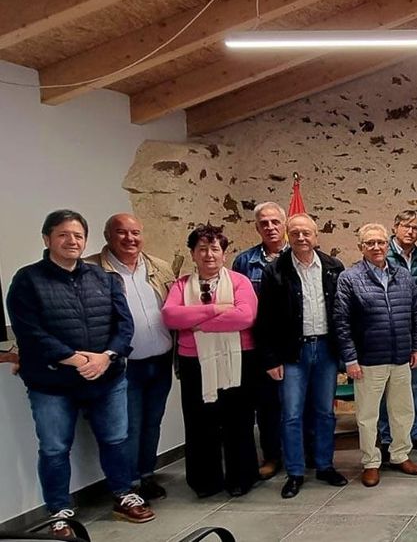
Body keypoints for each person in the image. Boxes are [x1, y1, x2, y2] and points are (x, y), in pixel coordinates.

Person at [7, 210, 155, 534]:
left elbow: (124, 324)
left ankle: (124, 493)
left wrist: (106, 358)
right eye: (63, 235)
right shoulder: (28, 280)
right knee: (55, 447)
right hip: (52, 383)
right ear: (47, 239)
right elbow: (29, 330)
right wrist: (74, 359)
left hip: (107, 378)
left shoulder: (104, 278)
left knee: (116, 439)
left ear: (85, 240)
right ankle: (59, 512)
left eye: (77, 235)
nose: (71, 241)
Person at [162, 224, 261, 498]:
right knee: (199, 423)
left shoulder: (240, 282)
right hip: (194, 363)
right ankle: (205, 482)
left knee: (237, 421)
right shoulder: (182, 285)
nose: (209, 255)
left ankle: (241, 477)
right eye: (202, 249)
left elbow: (244, 317)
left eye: (214, 249)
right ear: (193, 254)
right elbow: (171, 316)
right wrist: (217, 309)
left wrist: (195, 320)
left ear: (224, 254)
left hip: (237, 360)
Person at [255, 214, 348, 498]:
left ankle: (324, 465)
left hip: (325, 349)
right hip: (291, 352)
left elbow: (343, 313)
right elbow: (265, 320)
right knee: (292, 414)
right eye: (295, 233)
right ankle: (295, 472)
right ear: (287, 235)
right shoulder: (276, 270)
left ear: (316, 235)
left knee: (324, 412)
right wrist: (270, 359)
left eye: (306, 233)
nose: (301, 238)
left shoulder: (333, 267)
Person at [84, 213, 175, 501]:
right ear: (108, 236)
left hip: (160, 360)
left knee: (153, 421)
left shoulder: (159, 267)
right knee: (129, 425)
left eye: (135, 232)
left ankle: (147, 474)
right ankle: (129, 484)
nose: (130, 238)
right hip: (123, 365)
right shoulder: (91, 270)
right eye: (121, 232)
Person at [333, 223, 417, 486]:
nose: (376, 247)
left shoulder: (403, 275)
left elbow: (416, 314)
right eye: (370, 242)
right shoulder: (350, 278)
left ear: (388, 244)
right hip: (368, 360)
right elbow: (342, 322)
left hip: (400, 358)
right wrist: (350, 359)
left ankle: (399, 454)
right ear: (361, 247)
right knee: (367, 416)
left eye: (381, 242)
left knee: (402, 411)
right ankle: (371, 461)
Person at [231, 201, 287, 479]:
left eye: (275, 221)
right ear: (257, 227)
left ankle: (305, 454)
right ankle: (272, 456)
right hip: (259, 345)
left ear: (285, 224)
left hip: (294, 343)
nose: (270, 227)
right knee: (267, 405)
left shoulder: (300, 255)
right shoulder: (244, 261)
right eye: (264, 223)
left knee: (300, 403)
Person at [381, 210, 417, 457]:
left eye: (416, 228)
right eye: (406, 226)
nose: (411, 232)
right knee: (386, 388)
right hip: (388, 331)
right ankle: (385, 436)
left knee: (414, 387)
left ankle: (415, 433)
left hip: (413, 330)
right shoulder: (384, 252)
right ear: (395, 227)